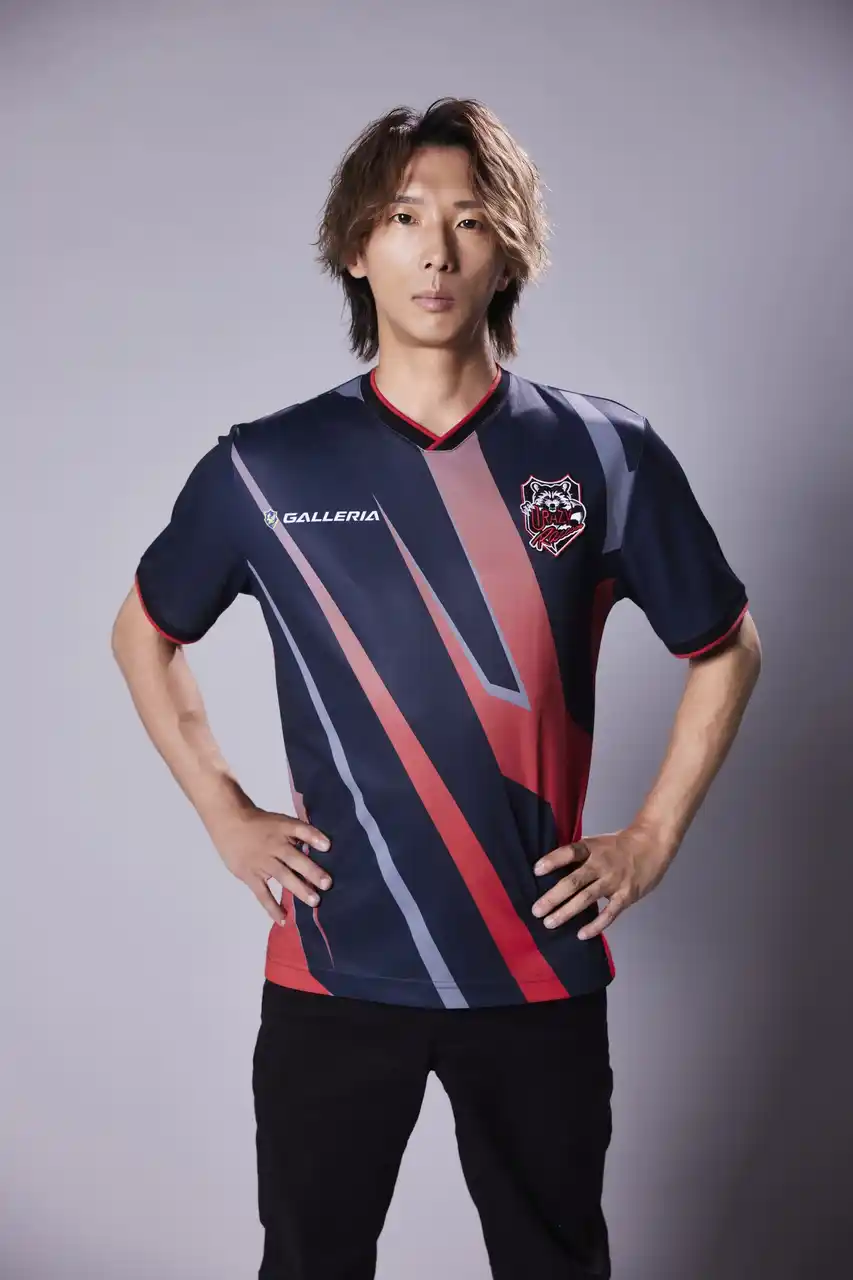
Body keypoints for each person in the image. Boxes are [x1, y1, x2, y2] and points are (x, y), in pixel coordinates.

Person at [111, 97, 762, 1280]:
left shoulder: (603, 453)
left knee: (553, 1262)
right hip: (335, 962)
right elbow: (143, 634)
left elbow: (726, 644)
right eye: (405, 217)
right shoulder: (263, 466)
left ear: (507, 250)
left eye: (469, 218)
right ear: (356, 246)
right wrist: (225, 808)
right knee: (310, 1262)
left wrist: (652, 835)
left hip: (535, 965)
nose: (437, 250)